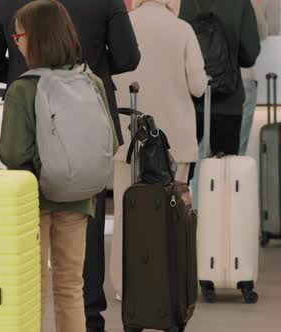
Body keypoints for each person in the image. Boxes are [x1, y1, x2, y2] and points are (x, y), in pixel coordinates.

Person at [0, 1, 140, 329]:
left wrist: (20, 70)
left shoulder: (4, 6)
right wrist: (84, 67)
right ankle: (91, 321)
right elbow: (127, 57)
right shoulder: (105, 9)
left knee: (29, 268)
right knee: (76, 273)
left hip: (31, 161)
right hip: (82, 148)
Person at [109, 0, 208, 300]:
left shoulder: (121, 27)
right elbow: (198, 86)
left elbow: (110, 79)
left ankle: (125, 284)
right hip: (173, 140)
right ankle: (170, 280)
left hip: (129, 138)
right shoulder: (183, 30)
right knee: (172, 214)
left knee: (128, 213)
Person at [179, 0, 261, 157]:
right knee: (224, 173)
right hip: (228, 103)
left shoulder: (179, 3)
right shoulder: (240, 3)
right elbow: (249, 55)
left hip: (187, 103)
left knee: (182, 171)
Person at [240, 0, 268, 156]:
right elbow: (263, 32)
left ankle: (202, 181)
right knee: (237, 149)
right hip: (243, 78)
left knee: (203, 149)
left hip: (209, 81)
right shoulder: (247, 3)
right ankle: (233, 180)